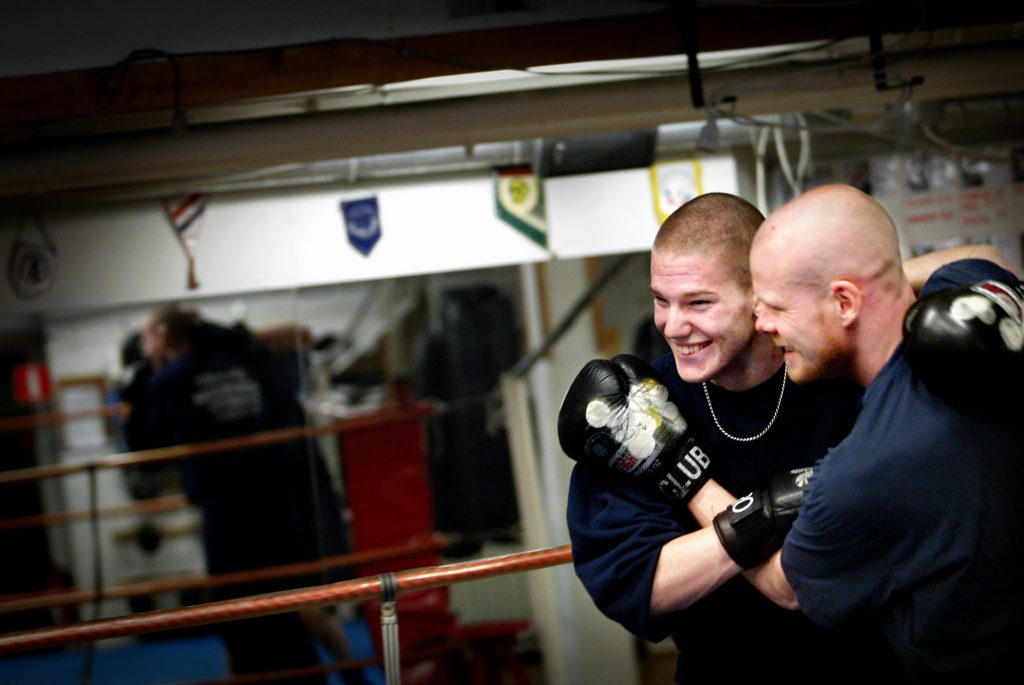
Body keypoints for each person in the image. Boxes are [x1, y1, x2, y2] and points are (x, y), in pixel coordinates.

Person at [565, 192, 902, 683]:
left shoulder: (844, 376)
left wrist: (701, 497)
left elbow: (803, 583)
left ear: (760, 297)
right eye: (661, 300)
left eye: (699, 302)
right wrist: (763, 510)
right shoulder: (638, 407)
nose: (673, 326)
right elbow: (637, 581)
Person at [736, 183, 1024, 682]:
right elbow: (985, 255)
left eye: (775, 307)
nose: (758, 325)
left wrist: (677, 468)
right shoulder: (965, 306)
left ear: (845, 302)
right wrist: (883, 283)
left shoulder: (863, 472)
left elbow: (786, 586)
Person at [131, 304, 368, 685]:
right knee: (290, 602)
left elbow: (145, 452)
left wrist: (149, 376)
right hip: (278, 505)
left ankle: (336, 672)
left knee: (241, 612)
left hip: (229, 515)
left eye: (147, 338)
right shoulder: (250, 359)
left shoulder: (173, 379)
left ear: (161, 336)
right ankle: (347, 674)